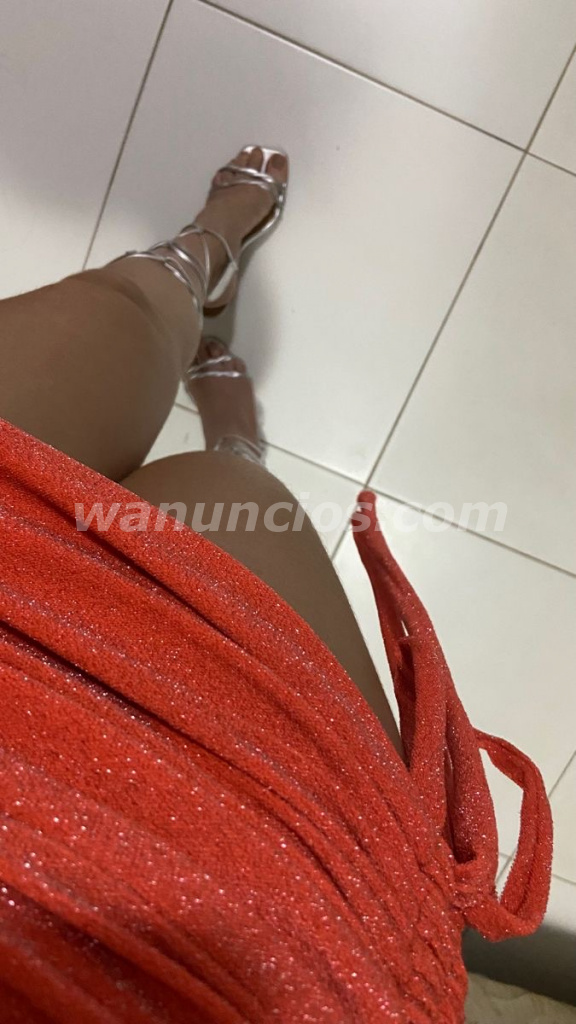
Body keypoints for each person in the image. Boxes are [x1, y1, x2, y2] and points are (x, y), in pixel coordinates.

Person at [0, 146, 552, 1023]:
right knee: (231, 501)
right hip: (268, 911)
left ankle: (198, 257)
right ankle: (236, 435)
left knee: (108, 316)